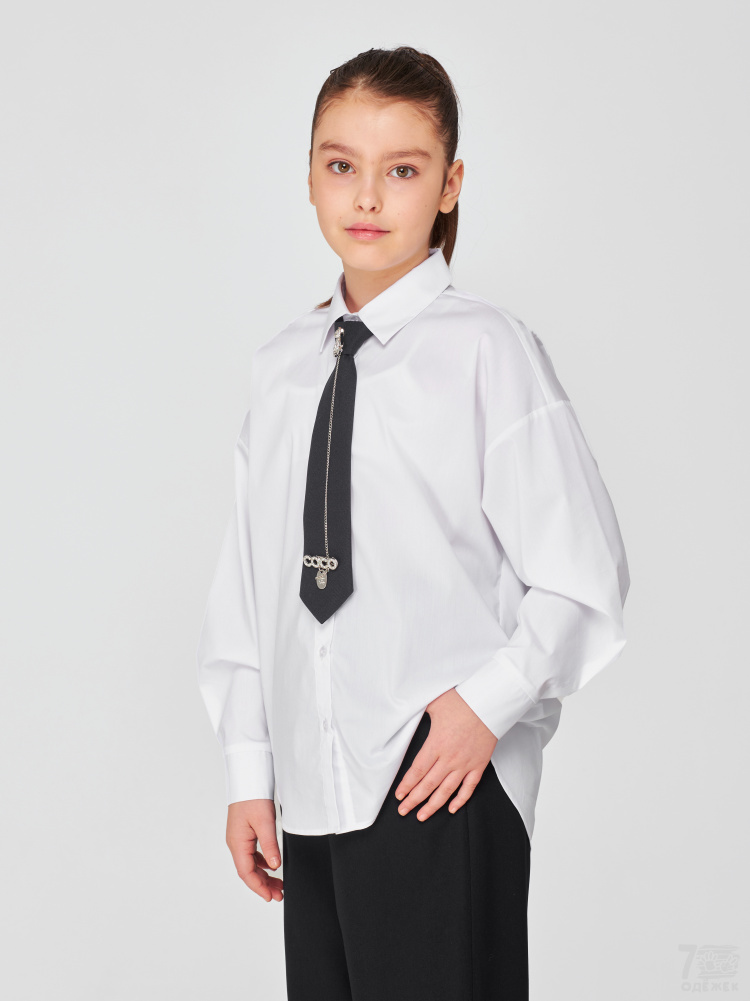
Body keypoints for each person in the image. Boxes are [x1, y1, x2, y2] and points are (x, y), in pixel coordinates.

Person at [196, 44, 630, 1001]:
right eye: (341, 164)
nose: (367, 196)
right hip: (313, 785)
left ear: (449, 184)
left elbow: (583, 572)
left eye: (402, 169)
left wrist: (484, 708)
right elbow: (251, 587)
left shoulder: (486, 350)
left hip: (439, 777)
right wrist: (248, 768)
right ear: (309, 175)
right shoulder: (282, 367)